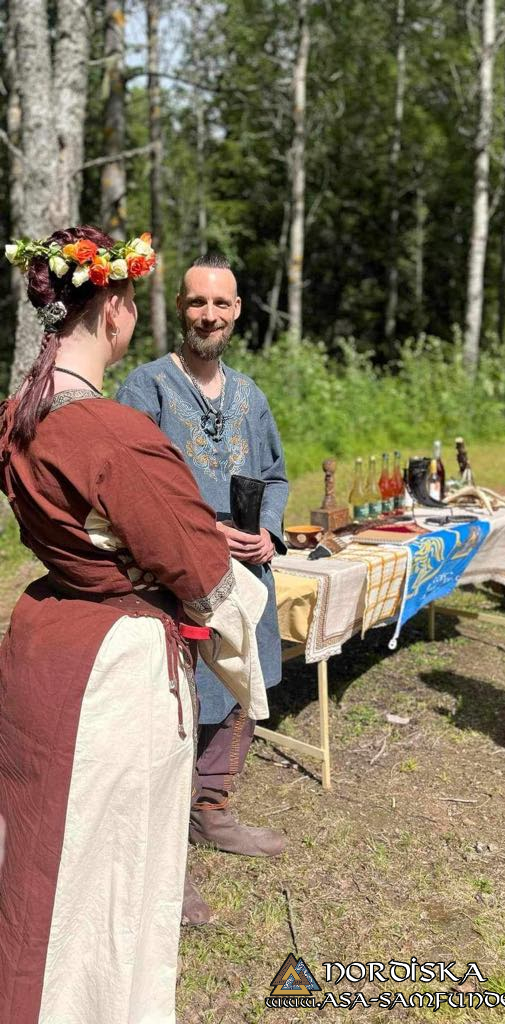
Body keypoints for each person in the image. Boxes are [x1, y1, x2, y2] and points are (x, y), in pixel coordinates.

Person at [0, 227, 266, 1024]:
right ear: (112, 308)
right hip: (111, 676)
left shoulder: (21, 412)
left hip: (43, 645)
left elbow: (81, 523)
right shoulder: (115, 432)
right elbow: (209, 583)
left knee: (40, 852)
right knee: (102, 868)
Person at [117, 253, 288, 921]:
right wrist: (205, 533)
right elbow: (128, 490)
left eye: (220, 304)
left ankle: (211, 809)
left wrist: (267, 530)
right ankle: (163, 856)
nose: (208, 315)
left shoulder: (250, 396)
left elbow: (272, 476)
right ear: (179, 308)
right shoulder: (147, 389)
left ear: (237, 310)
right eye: (196, 303)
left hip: (248, 570)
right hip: (178, 574)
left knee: (242, 683)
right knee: (177, 706)